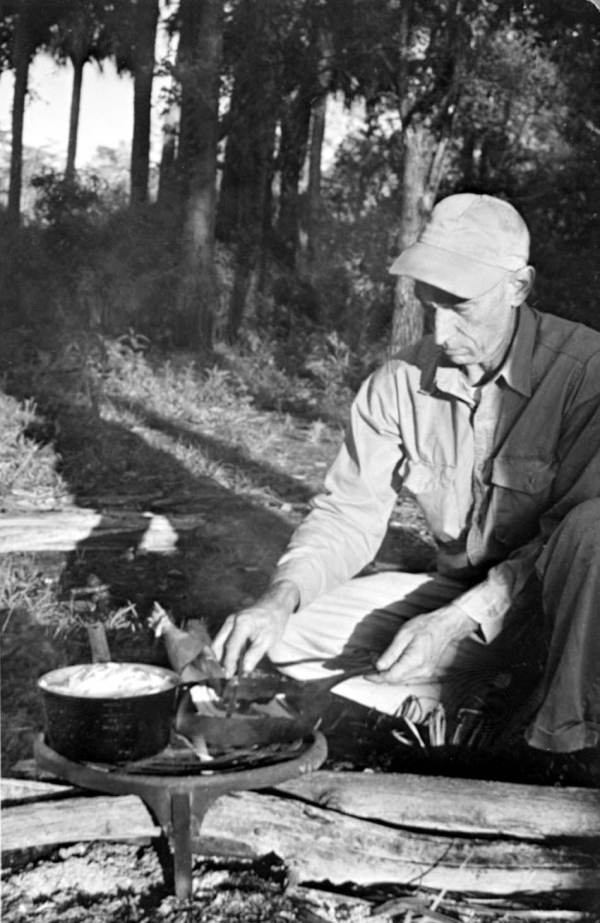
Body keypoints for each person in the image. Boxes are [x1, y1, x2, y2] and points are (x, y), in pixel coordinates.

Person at [214, 193, 600, 756]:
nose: (440, 334)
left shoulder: (586, 374)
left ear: (519, 288)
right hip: (460, 596)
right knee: (294, 635)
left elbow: (574, 541)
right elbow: (347, 515)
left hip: (562, 604)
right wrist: (280, 596)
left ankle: (560, 751)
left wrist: (453, 622)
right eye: (429, 305)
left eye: (460, 306)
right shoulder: (395, 384)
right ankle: (486, 700)